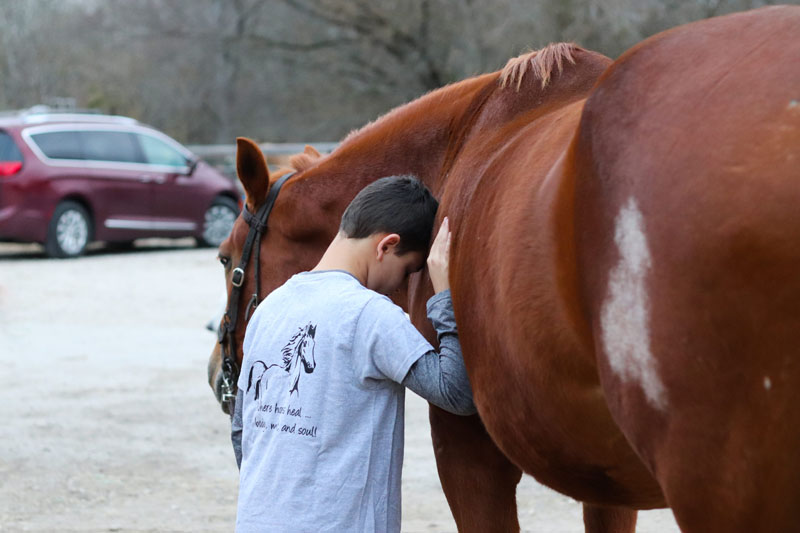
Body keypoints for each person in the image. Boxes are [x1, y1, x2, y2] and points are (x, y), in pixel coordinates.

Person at [231, 175, 475, 533]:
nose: (401, 284)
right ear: (387, 246)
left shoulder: (269, 309)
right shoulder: (372, 315)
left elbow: (241, 428)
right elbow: (455, 393)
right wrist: (444, 296)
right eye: (408, 270)